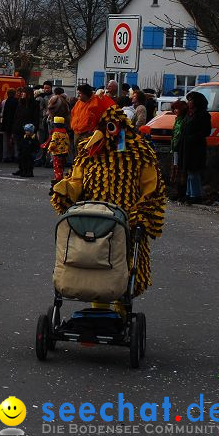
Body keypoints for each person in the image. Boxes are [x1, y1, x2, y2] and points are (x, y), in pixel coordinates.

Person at [52, 106, 166, 298]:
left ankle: (118, 313)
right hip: (91, 222)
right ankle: (100, 311)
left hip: (125, 224)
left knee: (122, 270)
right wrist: (65, 191)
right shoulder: (89, 151)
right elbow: (77, 181)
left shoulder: (140, 153)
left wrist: (142, 214)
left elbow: (151, 189)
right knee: (91, 266)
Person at [180, 91, 211, 204]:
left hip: (196, 148)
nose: (188, 102)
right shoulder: (189, 114)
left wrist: (191, 137)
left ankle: (196, 195)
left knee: (194, 172)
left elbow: (206, 131)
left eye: (191, 100)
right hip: (187, 147)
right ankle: (189, 194)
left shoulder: (203, 115)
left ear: (197, 102)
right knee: (189, 172)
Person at [169, 99, 188, 201]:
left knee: (178, 169)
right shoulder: (177, 119)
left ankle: (179, 192)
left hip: (179, 148)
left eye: (177, 108)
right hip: (175, 148)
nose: (176, 110)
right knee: (175, 168)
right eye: (174, 108)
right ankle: (175, 191)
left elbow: (179, 134)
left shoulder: (183, 120)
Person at [43, 116, 71, 186]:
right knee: (61, 166)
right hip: (64, 152)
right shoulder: (65, 133)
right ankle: (61, 176)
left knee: (57, 166)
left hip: (57, 152)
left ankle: (58, 178)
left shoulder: (56, 133)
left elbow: (53, 142)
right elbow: (68, 142)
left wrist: (49, 149)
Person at [0, 88, 17, 162]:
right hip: (13, 123)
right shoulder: (16, 102)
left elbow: (4, 113)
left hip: (6, 123)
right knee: (15, 141)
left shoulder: (6, 101)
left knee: (5, 141)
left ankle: (5, 156)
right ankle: (15, 155)